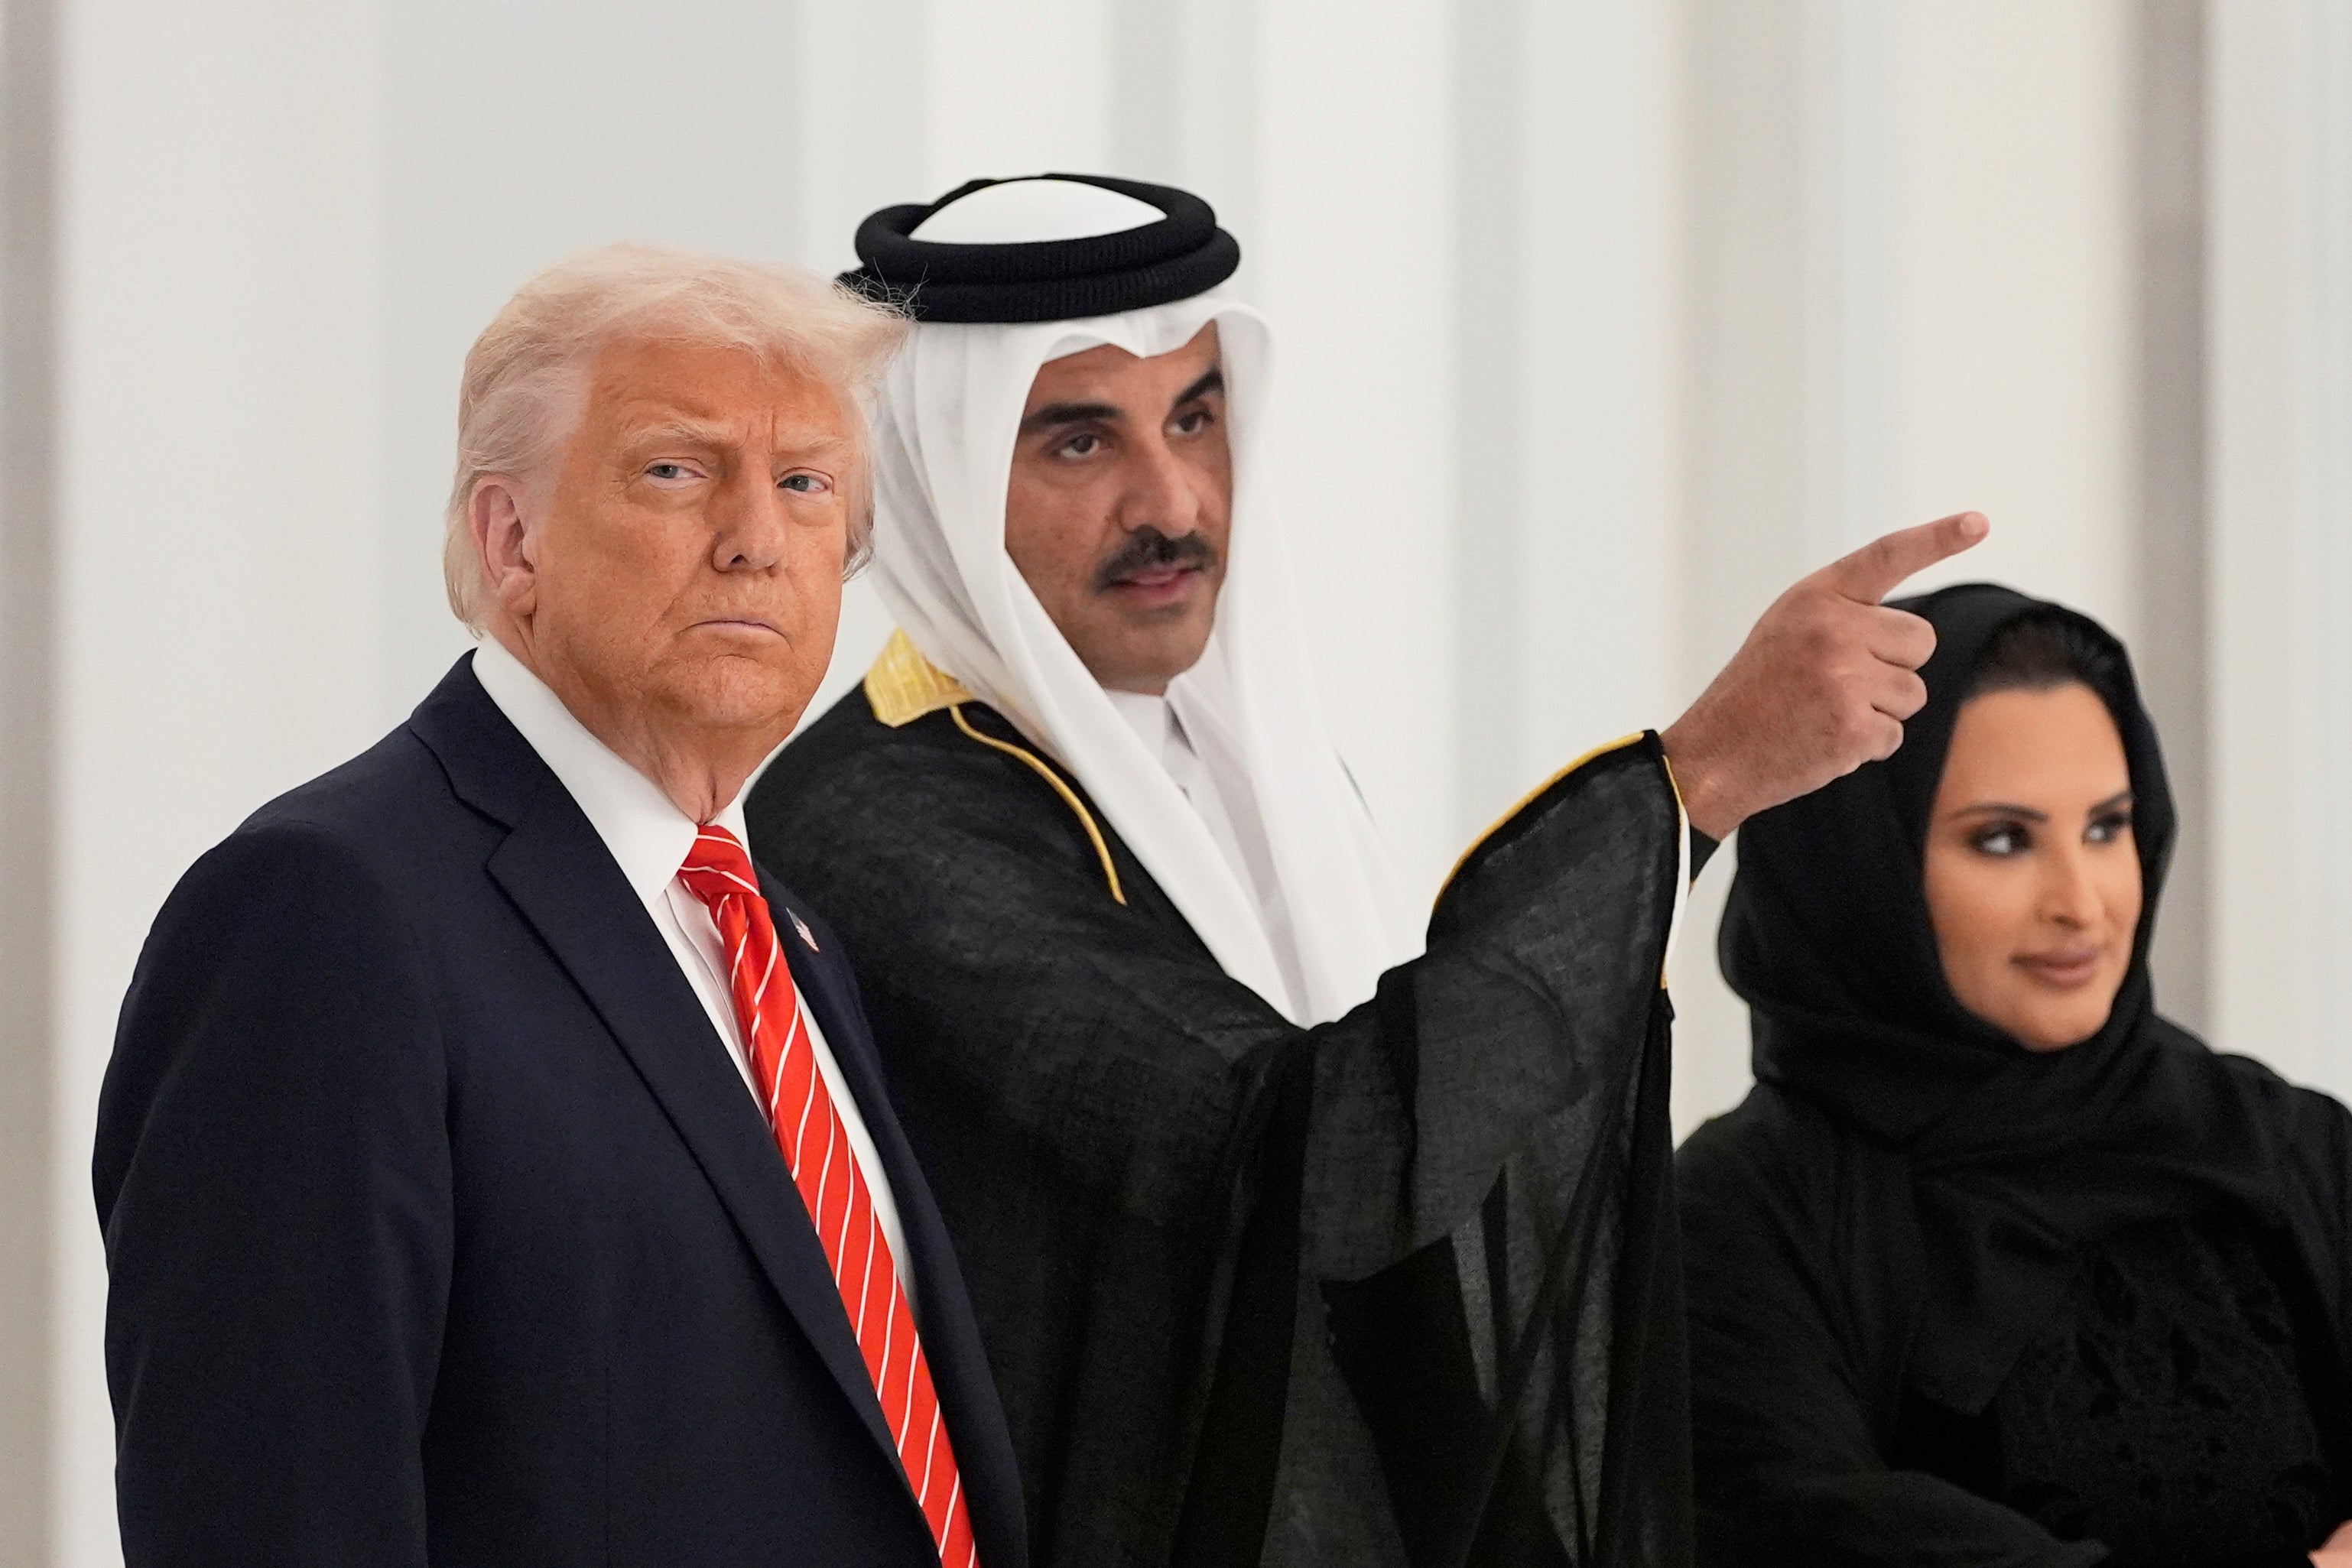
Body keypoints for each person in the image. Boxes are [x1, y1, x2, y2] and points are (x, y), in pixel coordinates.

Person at [746, 171, 1984, 1566]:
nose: (1172, 501)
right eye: (1078, 444)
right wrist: (1691, 785)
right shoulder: (878, 820)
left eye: (1196, 418)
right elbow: (1305, 1155)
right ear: (938, 480)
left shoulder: (1244, 770)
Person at [93, 245, 1025, 1568]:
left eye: (806, 483)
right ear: (508, 535)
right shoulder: (325, 914)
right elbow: (270, 1511)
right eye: (677, 469)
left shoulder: (781, 935)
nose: (758, 537)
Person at [1681, 583, 2352, 1567]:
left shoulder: (2287, 1146)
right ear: (1866, 872)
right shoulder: (1741, 1219)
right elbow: (1808, 1534)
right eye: (2003, 840)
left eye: (2108, 827)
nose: (2081, 903)